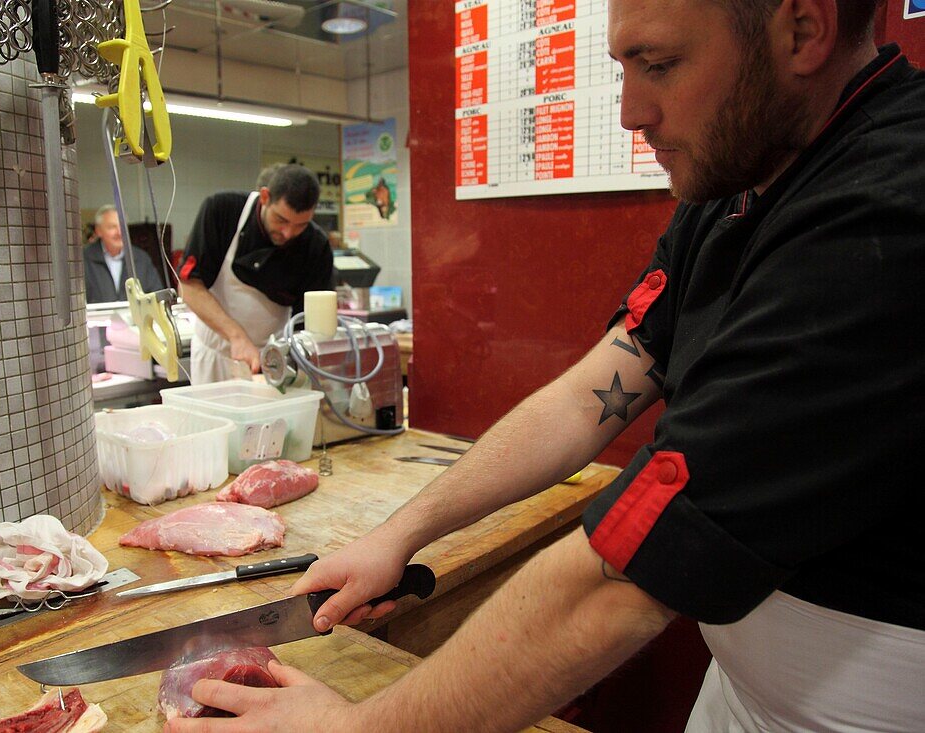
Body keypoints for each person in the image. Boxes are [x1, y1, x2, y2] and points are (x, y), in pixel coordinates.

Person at [166, 1, 924, 731]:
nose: (630, 112)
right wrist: (399, 534)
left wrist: (358, 728)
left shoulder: (887, 208)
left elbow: (622, 583)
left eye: (658, 63)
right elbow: (589, 396)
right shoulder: (738, 182)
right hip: (744, 701)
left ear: (803, 27)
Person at [178, 164, 333, 383]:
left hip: (272, 363)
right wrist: (236, 336)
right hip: (215, 357)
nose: (288, 233)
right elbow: (189, 287)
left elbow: (308, 325)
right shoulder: (222, 211)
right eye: (281, 220)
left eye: (300, 225)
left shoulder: (316, 247)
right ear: (265, 197)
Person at [83, 205, 166, 303]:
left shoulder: (141, 259)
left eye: (122, 226)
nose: (119, 232)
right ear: (98, 231)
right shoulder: (83, 259)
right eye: (112, 227)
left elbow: (157, 296)